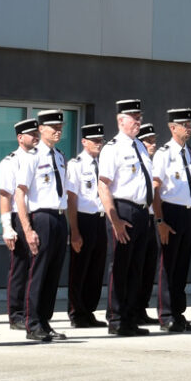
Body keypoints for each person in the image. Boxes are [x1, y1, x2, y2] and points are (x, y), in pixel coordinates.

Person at [95, 99, 161, 335]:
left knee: (137, 267)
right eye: (134, 117)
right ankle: (116, 319)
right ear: (121, 120)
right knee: (121, 266)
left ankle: (131, 318)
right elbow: (103, 185)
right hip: (123, 210)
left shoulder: (140, 146)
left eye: (139, 117)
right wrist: (114, 220)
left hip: (142, 211)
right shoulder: (112, 148)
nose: (138, 121)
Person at [12, 110, 75, 341]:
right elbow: (20, 194)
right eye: (53, 127)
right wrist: (27, 229)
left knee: (53, 272)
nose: (58, 131)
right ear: (41, 129)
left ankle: (45, 322)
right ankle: (33, 323)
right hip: (41, 217)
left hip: (58, 217)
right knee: (38, 272)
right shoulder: (32, 156)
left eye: (60, 127)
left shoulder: (59, 156)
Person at [154, 109, 191, 331]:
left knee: (182, 266)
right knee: (168, 266)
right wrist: (160, 221)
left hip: (187, 213)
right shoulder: (164, 153)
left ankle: (178, 313)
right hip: (170, 212)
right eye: (185, 124)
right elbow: (155, 189)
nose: (189, 127)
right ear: (172, 127)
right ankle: (166, 315)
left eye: (190, 124)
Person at [0, 119, 39, 329]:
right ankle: (16, 314)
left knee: (36, 266)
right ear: (20, 138)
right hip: (17, 217)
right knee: (20, 267)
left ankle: (32, 311)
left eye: (37, 133)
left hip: (37, 215)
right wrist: (7, 227)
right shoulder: (10, 162)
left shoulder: (41, 157)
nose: (36, 137)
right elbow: (5, 195)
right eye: (32, 134)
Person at [66, 123, 109, 329]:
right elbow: (71, 199)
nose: (99, 144)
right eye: (95, 141)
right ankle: (76, 312)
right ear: (84, 142)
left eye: (101, 140)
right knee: (79, 268)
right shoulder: (76, 165)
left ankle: (89, 310)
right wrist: (74, 231)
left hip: (100, 219)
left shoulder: (103, 164)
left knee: (96, 268)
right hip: (83, 220)